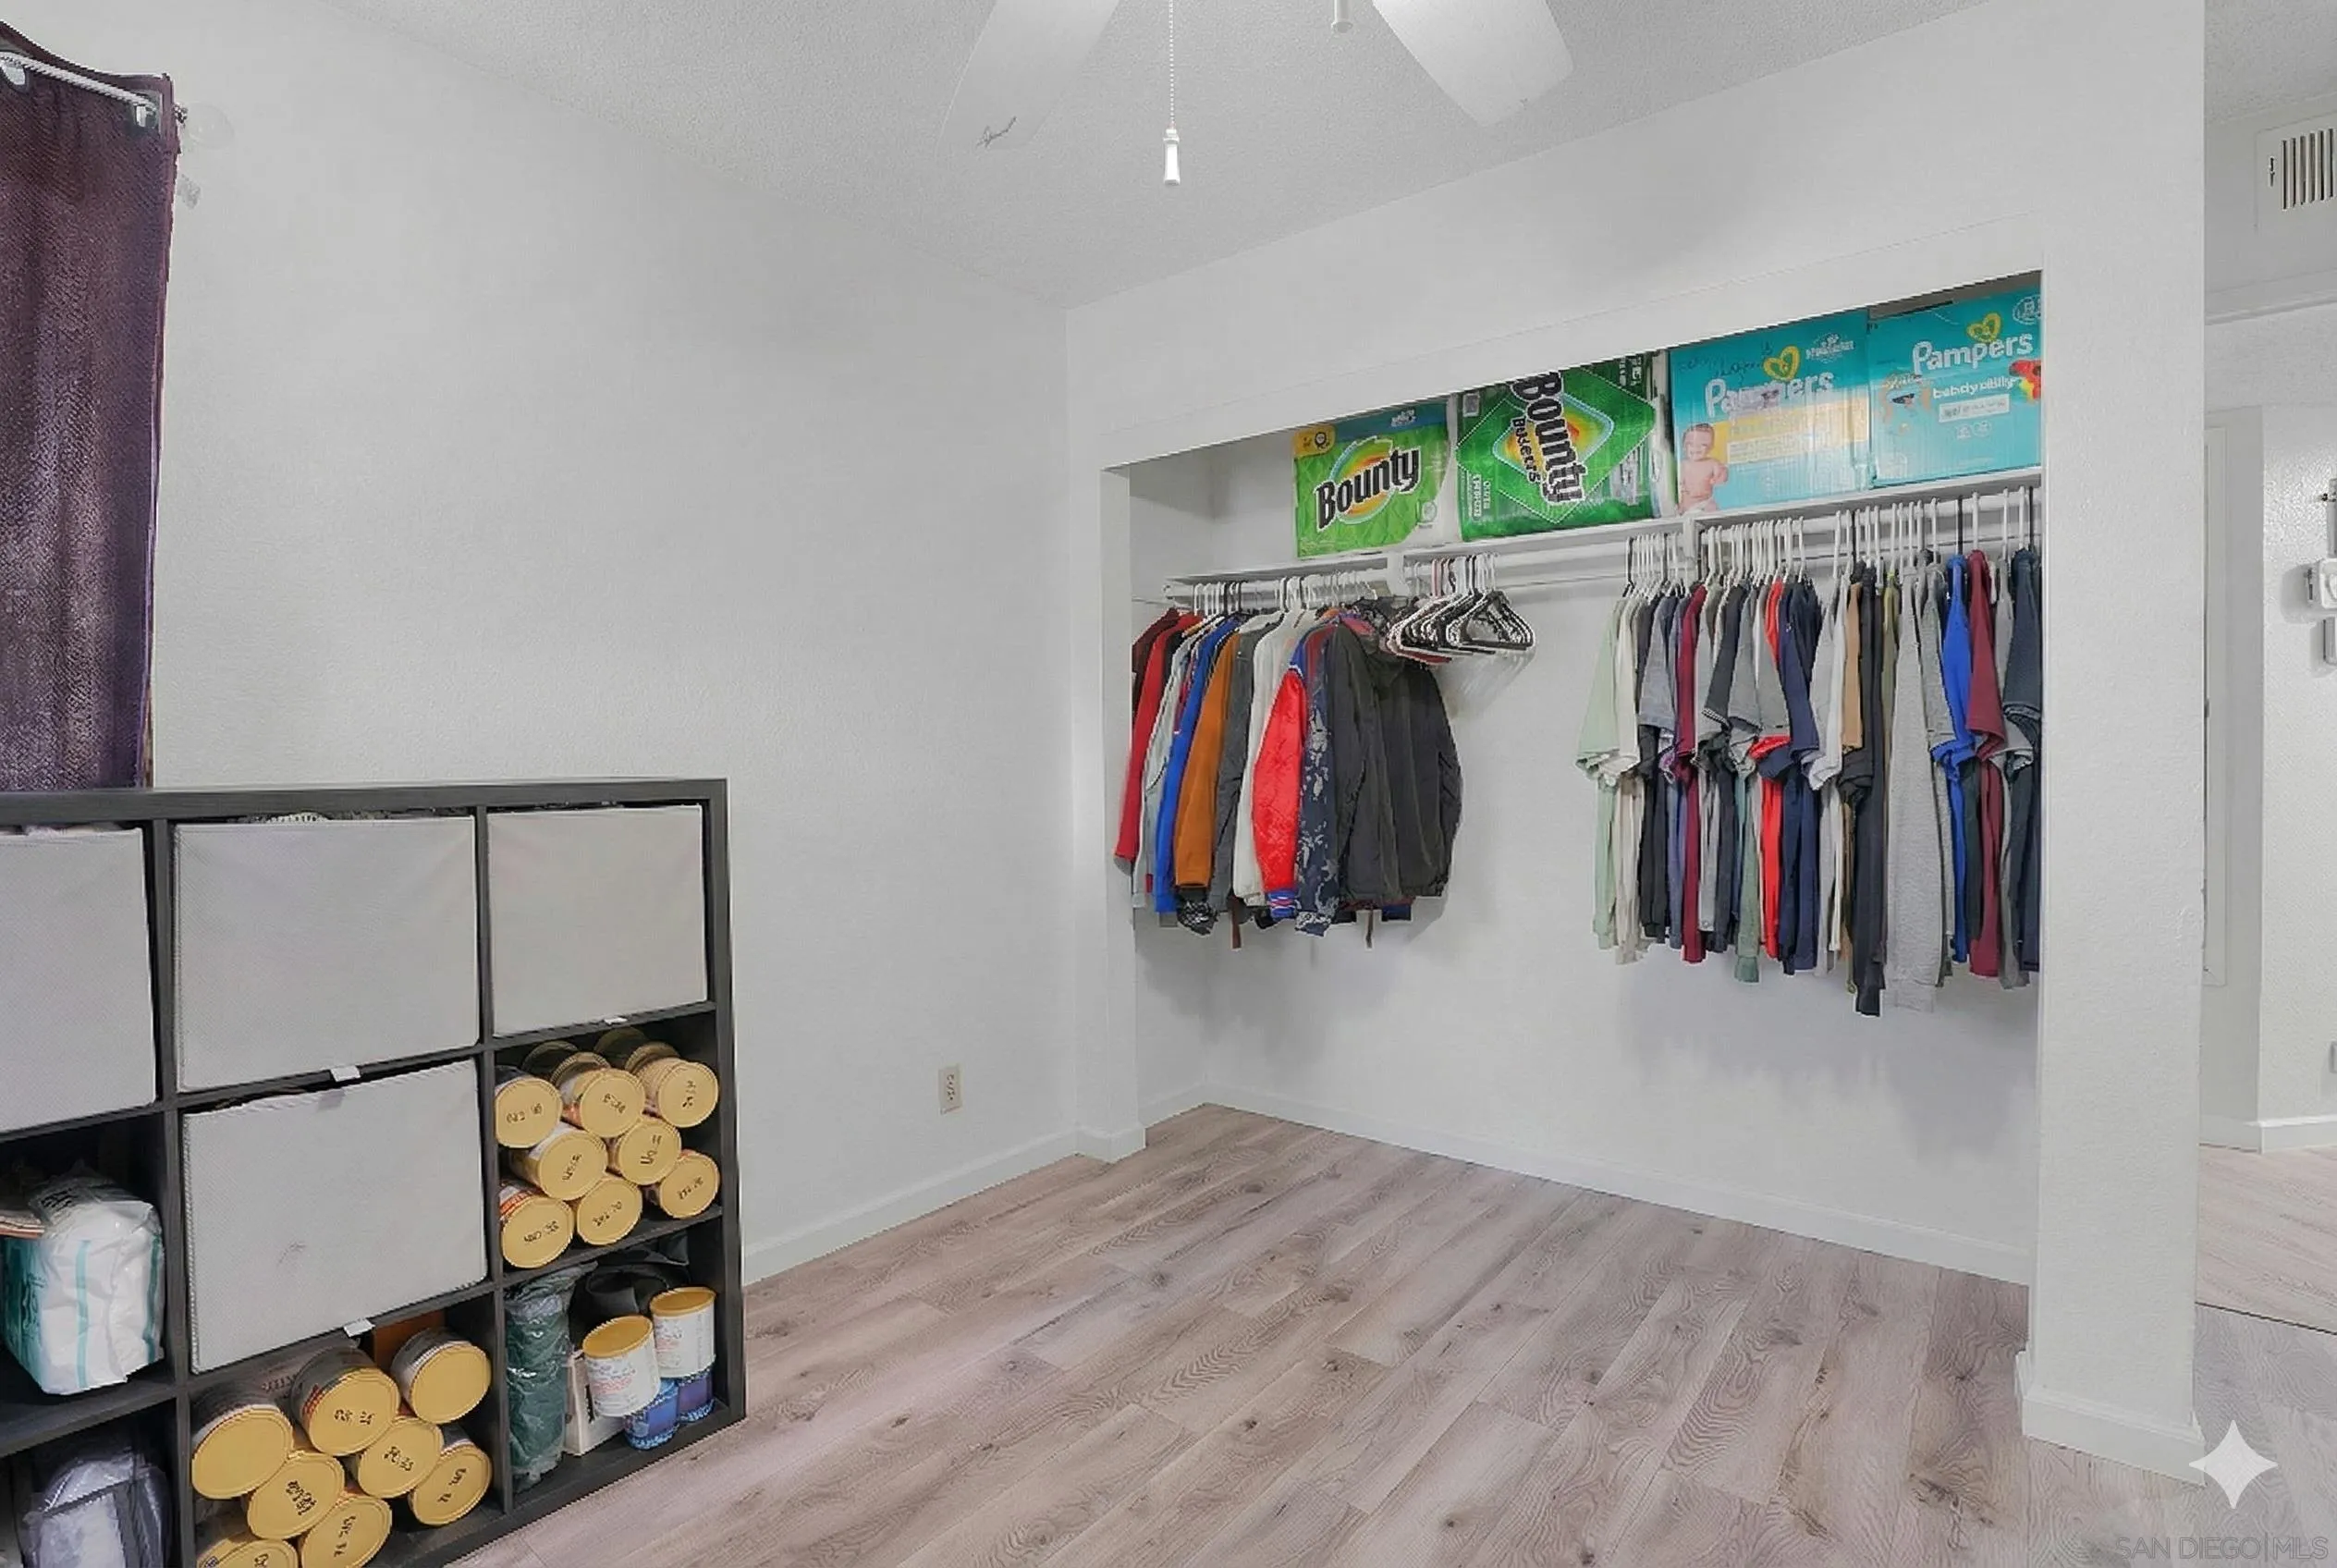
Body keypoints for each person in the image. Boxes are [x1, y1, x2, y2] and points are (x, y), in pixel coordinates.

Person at [1678, 422, 1729, 515]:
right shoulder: (1683, 465)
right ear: (1684, 446)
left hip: (1705, 502)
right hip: (1687, 504)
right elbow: (1678, 482)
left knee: (1713, 512)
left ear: (1710, 447)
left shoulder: (1712, 463)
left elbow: (1723, 472)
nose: (1696, 448)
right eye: (1691, 444)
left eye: (1703, 445)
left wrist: (1718, 478)